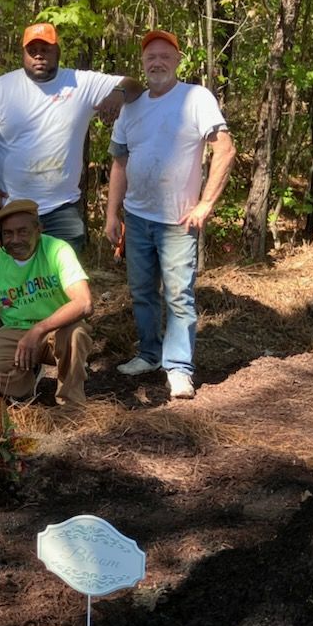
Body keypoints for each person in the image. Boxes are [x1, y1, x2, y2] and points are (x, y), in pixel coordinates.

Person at [104, 29, 236, 400]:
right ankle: (149, 353)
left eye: (164, 56)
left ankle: (178, 367)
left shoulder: (195, 98)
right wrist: (113, 214)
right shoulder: (132, 106)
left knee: (179, 295)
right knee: (142, 292)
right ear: (143, 65)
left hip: (179, 221)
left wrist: (206, 204)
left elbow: (224, 149)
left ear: (178, 61)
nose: (157, 62)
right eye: (150, 58)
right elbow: (119, 162)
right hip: (137, 217)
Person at [0, 23, 143, 255]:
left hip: (63, 208)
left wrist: (118, 93)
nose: (39, 56)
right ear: (22, 54)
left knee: (63, 284)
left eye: (46, 49)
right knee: (16, 283)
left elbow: (134, 85)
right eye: (32, 50)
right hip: (13, 208)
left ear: (58, 52)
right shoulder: (1, 88)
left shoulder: (80, 83)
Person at [0, 199, 93, 405]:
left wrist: (38, 330)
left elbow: (84, 303)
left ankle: (72, 402)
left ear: (38, 229)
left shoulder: (57, 250)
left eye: (23, 232)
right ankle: (28, 387)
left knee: (76, 334)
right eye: (8, 233)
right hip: (16, 330)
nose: (15, 239)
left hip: (58, 328)